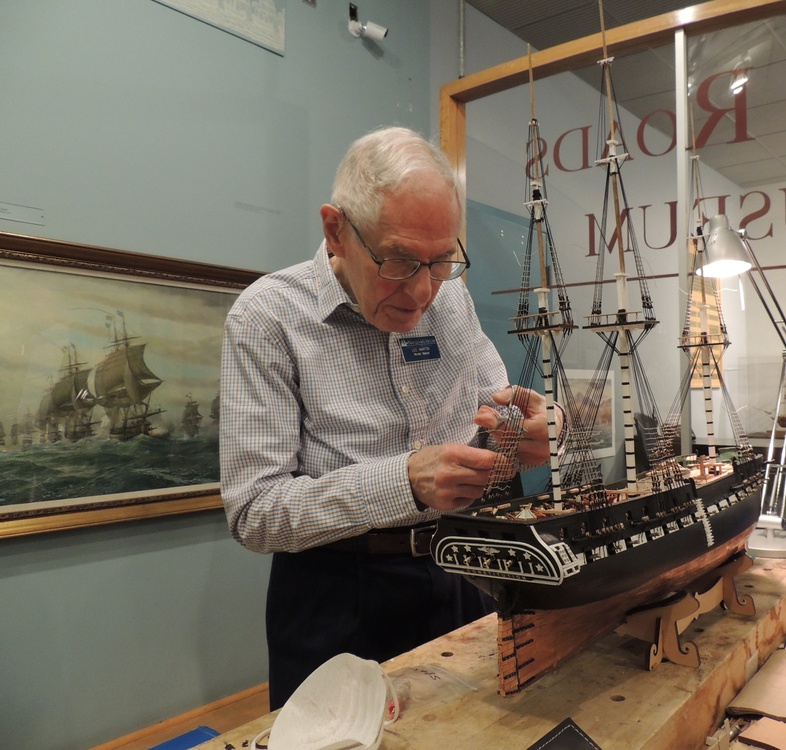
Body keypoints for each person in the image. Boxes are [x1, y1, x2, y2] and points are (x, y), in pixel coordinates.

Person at [219, 126, 562, 709]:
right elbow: (255, 513)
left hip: (464, 568)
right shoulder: (266, 319)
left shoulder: (452, 299)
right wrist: (404, 481)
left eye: (442, 261)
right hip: (337, 593)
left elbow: (501, 407)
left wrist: (542, 426)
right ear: (335, 230)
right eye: (400, 262)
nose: (424, 290)